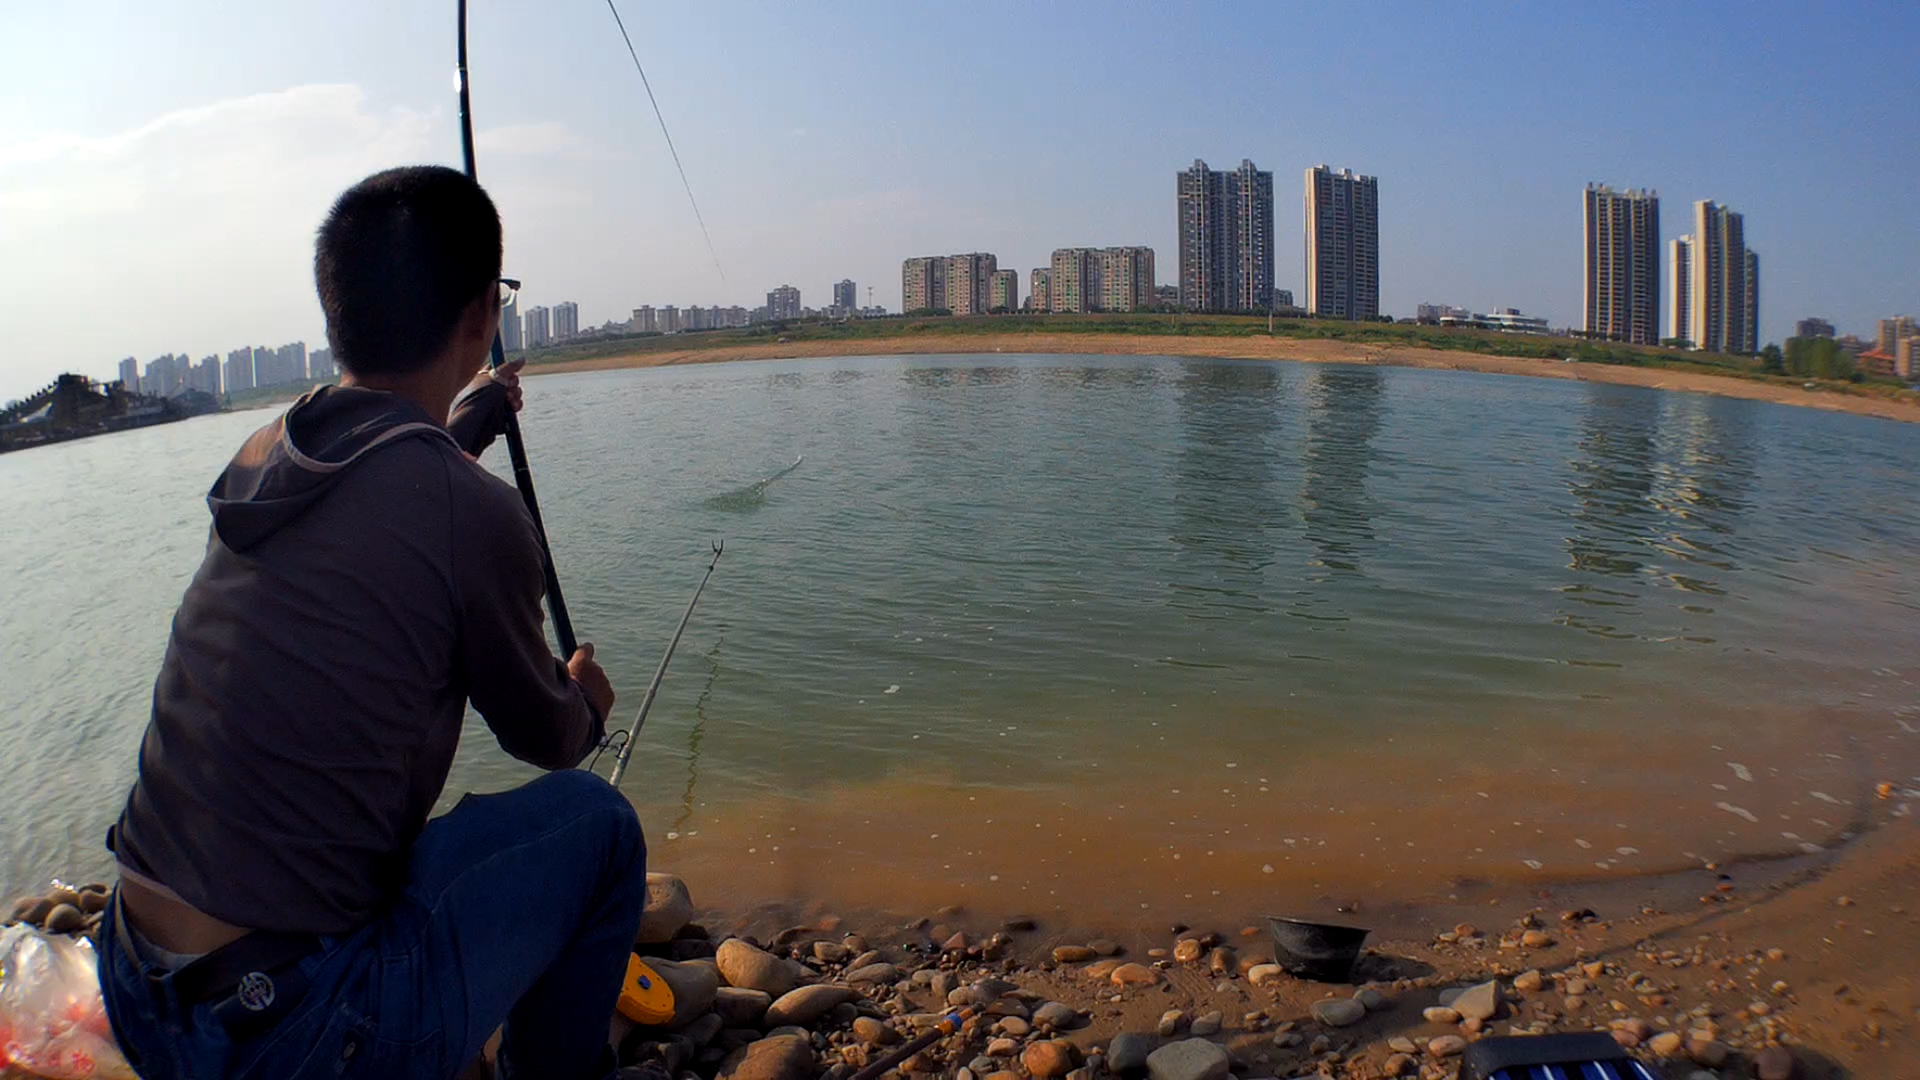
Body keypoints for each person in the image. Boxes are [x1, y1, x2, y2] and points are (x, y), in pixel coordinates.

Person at [97, 165, 646, 1080]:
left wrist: (463, 423)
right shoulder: (471, 514)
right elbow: (549, 737)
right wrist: (585, 698)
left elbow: (382, 477)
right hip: (288, 1033)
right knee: (598, 825)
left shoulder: (268, 451)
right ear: (481, 317)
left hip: (139, 986)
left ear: (336, 311)